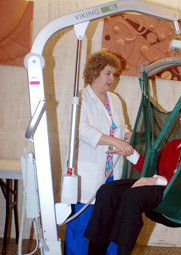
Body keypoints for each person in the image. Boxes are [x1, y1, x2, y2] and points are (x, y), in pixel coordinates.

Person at [84, 101, 181, 255]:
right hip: (156, 188)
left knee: (132, 196)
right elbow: (151, 171)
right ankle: (94, 251)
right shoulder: (173, 145)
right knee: (107, 190)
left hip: (173, 197)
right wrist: (131, 153)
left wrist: (156, 180)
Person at [64, 51, 134, 255]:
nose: (112, 79)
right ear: (94, 73)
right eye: (108, 73)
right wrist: (115, 141)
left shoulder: (115, 100)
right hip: (87, 172)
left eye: (114, 74)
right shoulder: (80, 99)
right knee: (82, 224)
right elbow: (80, 130)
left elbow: (120, 127)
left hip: (112, 173)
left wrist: (130, 134)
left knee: (111, 223)